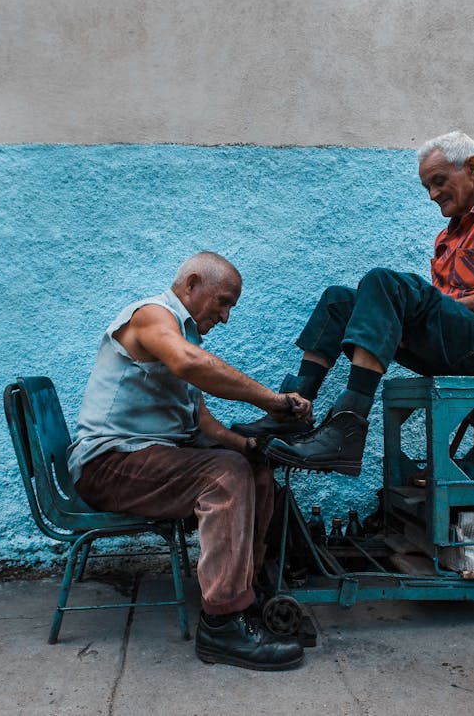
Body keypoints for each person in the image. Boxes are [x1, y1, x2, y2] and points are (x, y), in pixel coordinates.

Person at [234, 131, 474, 476]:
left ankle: (347, 428)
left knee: (384, 282)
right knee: (338, 300)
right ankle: (290, 413)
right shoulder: (448, 236)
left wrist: (445, 307)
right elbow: (440, 312)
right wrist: (413, 317)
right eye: (427, 187)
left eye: (439, 181)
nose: (433, 195)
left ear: (472, 167)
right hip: (452, 344)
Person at [67, 251, 313, 671]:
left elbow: (203, 426)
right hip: (107, 464)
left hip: (144, 460)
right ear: (192, 283)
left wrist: (252, 447)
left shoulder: (184, 340)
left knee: (254, 470)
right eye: (223, 302)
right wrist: (272, 400)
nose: (226, 316)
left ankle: (248, 598)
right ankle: (221, 625)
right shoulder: (151, 317)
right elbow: (188, 363)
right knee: (223, 476)